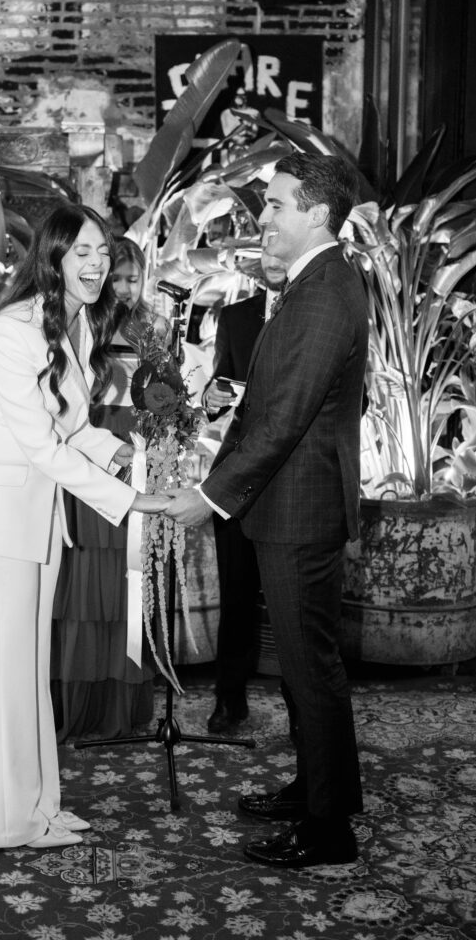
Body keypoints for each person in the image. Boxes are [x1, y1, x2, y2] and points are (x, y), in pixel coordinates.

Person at [0, 202, 168, 851]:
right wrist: (130, 501)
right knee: (9, 672)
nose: (96, 264)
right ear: (54, 257)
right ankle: (5, 821)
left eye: (103, 253)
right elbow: (40, 444)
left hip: (38, 513)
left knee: (31, 667)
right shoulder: (13, 327)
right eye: (82, 252)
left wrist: (131, 458)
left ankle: (38, 808)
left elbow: (73, 426)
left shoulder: (76, 324)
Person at [165, 153, 368, 869]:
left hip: (300, 510)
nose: (266, 216)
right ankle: (314, 790)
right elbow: (265, 404)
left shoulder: (323, 293)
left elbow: (283, 420)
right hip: (289, 502)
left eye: (279, 204)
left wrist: (208, 497)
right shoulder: (313, 282)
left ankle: (328, 830)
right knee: (303, 669)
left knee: (311, 670)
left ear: (318, 213)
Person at [51, 236, 167, 740]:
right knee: (82, 575)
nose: (121, 287)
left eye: (131, 278)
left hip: (137, 447)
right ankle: (77, 704)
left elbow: (167, 396)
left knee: (129, 574)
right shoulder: (78, 321)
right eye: (113, 276)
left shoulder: (156, 326)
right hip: (88, 442)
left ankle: (121, 706)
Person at [202, 258, 287, 734]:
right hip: (236, 480)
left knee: (294, 608)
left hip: (295, 481)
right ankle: (229, 700)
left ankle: (304, 712)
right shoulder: (235, 317)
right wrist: (211, 399)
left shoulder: (319, 309)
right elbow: (221, 387)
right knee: (235, 597)